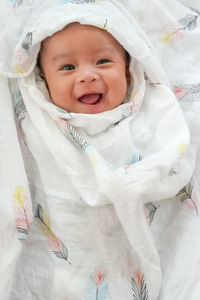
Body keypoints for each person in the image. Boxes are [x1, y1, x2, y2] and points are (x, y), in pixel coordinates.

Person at [0, 1, 200, 299]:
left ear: (130, 71)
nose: (87, 76)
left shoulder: (157, 120)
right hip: (73, 255)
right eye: (67, 67)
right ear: (43, 81)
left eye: (103, 62)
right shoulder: (39, 123)